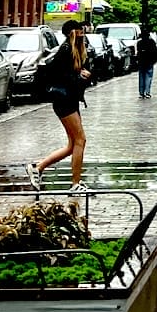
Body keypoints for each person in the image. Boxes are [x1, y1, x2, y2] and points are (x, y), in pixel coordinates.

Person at [25, 19, 92, 193]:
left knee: (73, 144)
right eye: (79, 30)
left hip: (69, 100)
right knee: (80, 140)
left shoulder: (74, 50)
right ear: (72, 32)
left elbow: (71, 75)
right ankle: (75, 183)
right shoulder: (66, 50)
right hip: (64, 101)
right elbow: (61, 76)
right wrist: (79, 76)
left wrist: (82, 74)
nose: (82, 33)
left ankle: (38, 168)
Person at [136, 26, 157, 99]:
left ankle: (141, 92)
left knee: (141, 77)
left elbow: (138, 53)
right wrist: (154, 60)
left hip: (141, 62)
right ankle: (147, 92)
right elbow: (155, 52)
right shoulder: (151, 42)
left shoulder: (139, 43)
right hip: (149, 62)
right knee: (148, 77)